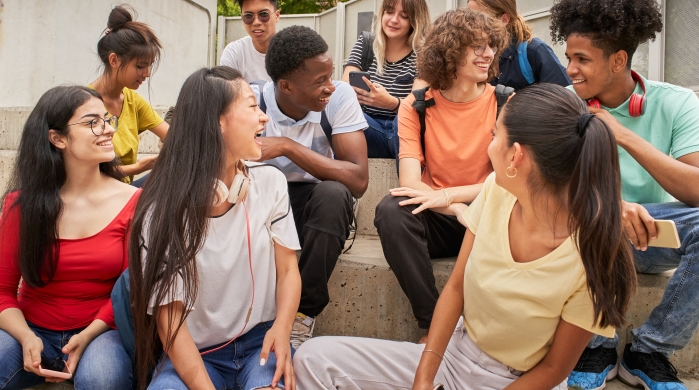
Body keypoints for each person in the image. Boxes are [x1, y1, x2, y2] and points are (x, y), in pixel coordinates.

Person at [294, 83, 638, 390]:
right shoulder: (495, 191)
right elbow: (456, 288)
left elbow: (553, 370)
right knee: (313, 358)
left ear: (516, 155)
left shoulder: (594, 254)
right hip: (455, 356)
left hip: (520, 381)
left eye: (495, 136)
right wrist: (425, 377)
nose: (489, 145)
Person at [550, 0, 699, 389]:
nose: (570, 70)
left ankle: (649, 350)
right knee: (577, 214)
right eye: (569, 57)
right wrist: (612, 206)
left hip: (655, 235)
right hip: (590, 232)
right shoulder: (565, 104)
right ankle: (596, 341)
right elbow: (549, 188)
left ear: (619, 61)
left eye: (582, 59)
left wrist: (624, 135)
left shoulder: (677, 102)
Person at [129, 67, 301, 390]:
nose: (263, 118)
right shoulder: (161, 209)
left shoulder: (271, 183)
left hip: (260, 345)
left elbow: (289, 270)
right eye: (252, 106)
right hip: (195, 354)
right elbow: (171, 324)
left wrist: (282, 327)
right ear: (218, 122)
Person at [374, 8, 507, 341]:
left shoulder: (506, 104)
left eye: (491, 45)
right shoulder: (415, 106)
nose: (488, 53)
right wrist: (454, 209)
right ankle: (435, 325)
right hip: (439, 215)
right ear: (449, 51)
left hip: (487, 216)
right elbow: (409, 183)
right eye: (477, 46)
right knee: (390, 210)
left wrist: (452, 197)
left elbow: (507, 181)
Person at [0, 86, 137, 389]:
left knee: (102, 378)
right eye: (92, 123)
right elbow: (3, 290)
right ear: (57, 138)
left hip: (102, 331)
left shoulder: (133, 202)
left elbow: (131, 290)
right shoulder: (21, 205)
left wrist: (86, 335)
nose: (107, 130)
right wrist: (26, 338)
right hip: (31, 327)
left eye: (107, 120)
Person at [256, 25, 369, 348]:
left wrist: (287, 147)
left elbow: (359, 181)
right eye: (320, 81)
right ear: (286, 86)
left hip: (314, 201)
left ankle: (301, 315)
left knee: (336, 195)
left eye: (330, 75)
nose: (330, 87)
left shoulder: (339, 98)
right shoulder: (253, 102)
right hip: (265, 199)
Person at [342, 0, 430, 161]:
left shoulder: (424, 55)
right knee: (337, 111)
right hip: (368, 128)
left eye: (403, 16)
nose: (394, 20)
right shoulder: (366, 43)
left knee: (402, 119)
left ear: (415, 21)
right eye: (389, 12)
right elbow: (344, 89)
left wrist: (391, 103)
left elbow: (418, 108)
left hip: (403, 131)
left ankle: (411, 183)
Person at [90, 5, 168, 186]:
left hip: (124, 192)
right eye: (140, 66)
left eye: (149, 66)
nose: (147, 73)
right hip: (95, 194)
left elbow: (173, 136)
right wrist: (138, 167)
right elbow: (88, 171)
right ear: (114, 60)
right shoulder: (85, 104)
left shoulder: (132, 101)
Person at [466, 0, 570, 91]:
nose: (469, 25)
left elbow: (569, 97)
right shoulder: (469, 55)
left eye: (479, 18)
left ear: (504, 20)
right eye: (468, 17)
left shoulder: (534, 50)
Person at [220, 0, 280, 83]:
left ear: (277, 16)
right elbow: (227, 93)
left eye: (263, 14)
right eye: (248, 16)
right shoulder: (234, 53)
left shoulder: (293, 51)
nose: (256, 22)